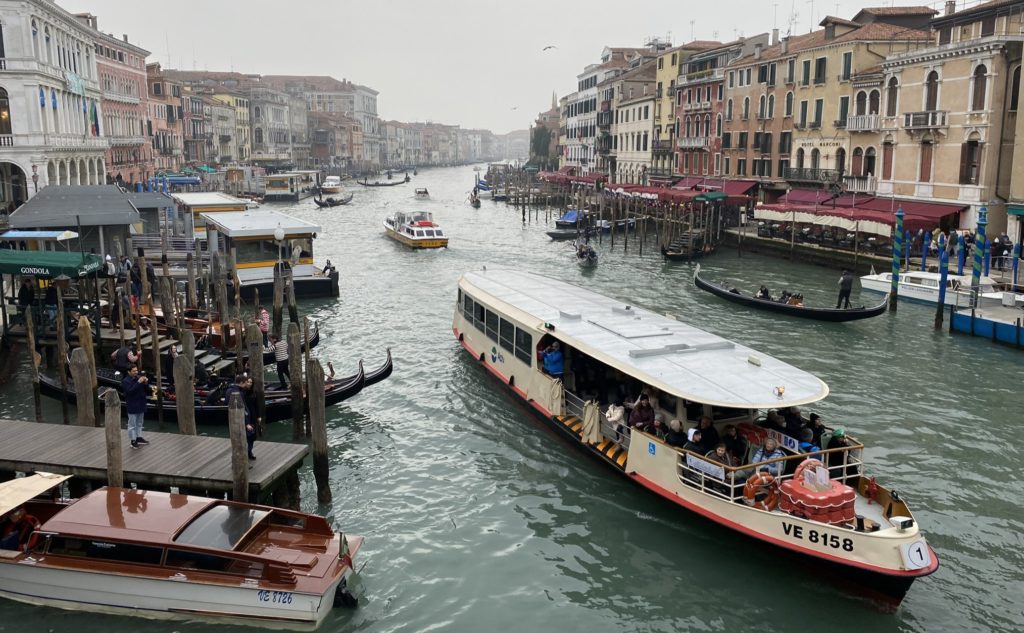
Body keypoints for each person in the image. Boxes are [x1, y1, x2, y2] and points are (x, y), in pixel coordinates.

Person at [225, 374, 259, 459]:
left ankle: (248, 453)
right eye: (246, 382)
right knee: (241, 440)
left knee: (250, 437)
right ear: (242, 382)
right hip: (240, 420)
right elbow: (241, 409)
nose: (248, 384)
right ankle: (242, 459)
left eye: (250, 382)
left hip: (246, 417)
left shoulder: (236, 390)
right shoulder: (238, 392)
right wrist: (247, 423)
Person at [122, 365, 149, 449]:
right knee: (132, 424)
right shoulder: (125, 381)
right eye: (134, 371)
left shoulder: (139, 378)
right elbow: (130, 391)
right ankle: (133, 441)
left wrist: (145, 383)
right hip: (132, 404)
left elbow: (146, 390)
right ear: (129, 372)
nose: (136, 372)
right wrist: (138, 382)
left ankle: (139, 437)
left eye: (136, 370)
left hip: (141, 403)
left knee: (140, 422)